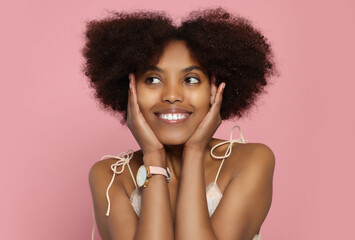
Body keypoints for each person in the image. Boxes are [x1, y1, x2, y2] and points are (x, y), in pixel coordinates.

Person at [82, 7, 277, 240]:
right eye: (153, 79)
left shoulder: (251, 161)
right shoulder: (110, 176)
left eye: (191, 79)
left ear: (215, 90)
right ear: (129, 91)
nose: (172, 95)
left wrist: (194, 152)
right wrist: (153, 158)